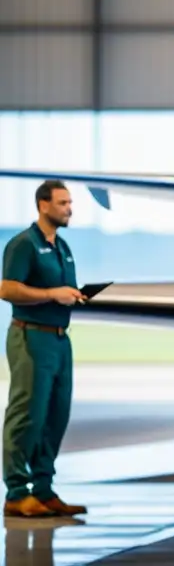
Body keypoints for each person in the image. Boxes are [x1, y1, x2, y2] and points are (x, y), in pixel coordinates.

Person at [0, 180, 88, 517]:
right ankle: (16, 492)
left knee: (55, 415)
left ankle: (43, 488)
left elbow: (60, 288)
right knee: (27, 415)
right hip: (30, 337)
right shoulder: (24, 244)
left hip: (59, 338)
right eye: (63, 203)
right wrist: (52, 294)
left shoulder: (62, 247)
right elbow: (7, 289)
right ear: (43, 205)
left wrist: (73, 295)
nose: (69, 209)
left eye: (70, 203)